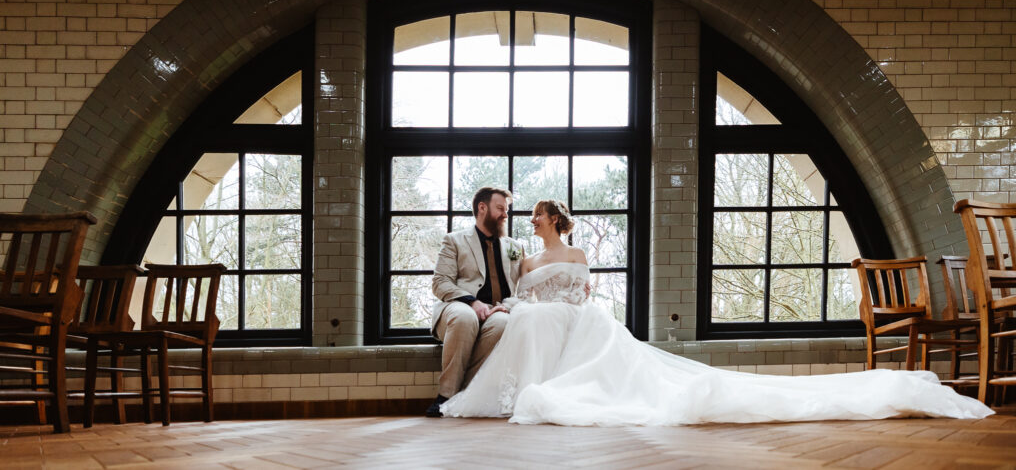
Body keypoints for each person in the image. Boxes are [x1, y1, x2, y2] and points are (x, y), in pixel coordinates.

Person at [440, 199, 994, 425]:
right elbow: (521, 294)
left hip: (574, 317)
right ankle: (513, 387)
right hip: (537, 317)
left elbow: (579, 293)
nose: (529, 220)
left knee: (567, 335)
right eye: (526, 214)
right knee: (531, 321)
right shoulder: (524, 255)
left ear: (554, 219)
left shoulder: (576, 253)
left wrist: (550, 302)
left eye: (536, 214)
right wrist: (518, 300)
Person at [426, 186, 524, 418]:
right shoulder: (454, 240)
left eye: (507, 209)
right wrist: (472, 302)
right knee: (465, 317)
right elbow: (440, 283)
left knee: (503, 324)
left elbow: (523, 289)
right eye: (500, 208)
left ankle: (465, 394)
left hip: (498, 309)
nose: (505, 214)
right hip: (459, 307)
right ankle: (447, 394)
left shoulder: (515, 247)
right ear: (482, 207)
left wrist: (506, 306)